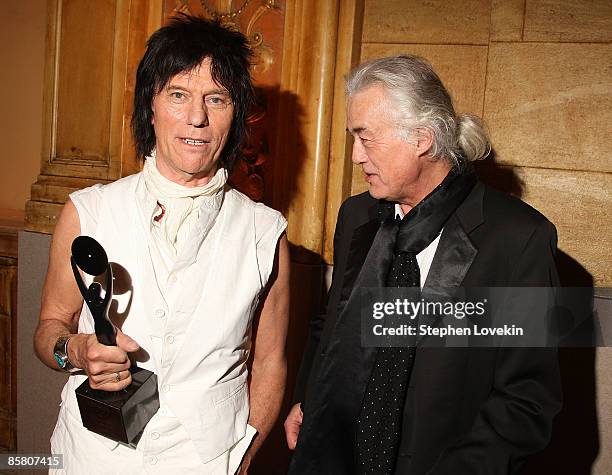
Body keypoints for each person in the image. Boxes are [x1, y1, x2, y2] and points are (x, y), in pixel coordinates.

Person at [34, 15, 289, 474]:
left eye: (217, 99)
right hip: (93, 454)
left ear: (237, 115)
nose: (197, 117)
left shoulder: (264, 231)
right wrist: (72, 350)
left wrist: (245, 458)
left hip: (209, 459)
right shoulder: (89, 212)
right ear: (149, 106)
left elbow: (270, 361)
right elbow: (50, 327)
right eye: (178, 94)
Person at [284, 55, 561, 474]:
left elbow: (527, 399)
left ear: (423, 138)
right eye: (352, 137)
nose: (356, 155)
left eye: (366, 137)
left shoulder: (518, 238)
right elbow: (332, 321)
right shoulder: (356, 216)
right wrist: (308, 397)